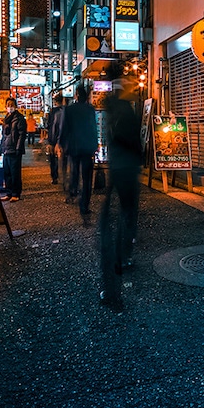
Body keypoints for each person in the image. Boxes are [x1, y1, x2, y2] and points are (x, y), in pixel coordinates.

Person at [97, 64, 143, 308]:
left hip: (117, 166)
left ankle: (120, 254)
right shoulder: (125, 110)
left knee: (118, 214)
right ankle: (124, 254)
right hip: (127, 167)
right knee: (128, 211)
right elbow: (131, 138)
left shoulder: (110, 107)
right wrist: (140, 154)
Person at [60, 82, 97, 225]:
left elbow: (65, 128)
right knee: (87, 178)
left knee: (74, 171)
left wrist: (62, 144)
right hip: (87, 147)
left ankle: (73, 191)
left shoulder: (69, 110)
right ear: (86, 96)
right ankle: (84, 205)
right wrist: (95, 145)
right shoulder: (90, 110)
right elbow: (94, 128)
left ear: (76, 95)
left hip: (74, 147)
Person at [0, 97, 27, 202]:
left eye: (12, 105)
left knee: (15, 173)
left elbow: (22, 134)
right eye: (8, 105)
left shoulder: (19, 118)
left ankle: (16, 194)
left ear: (15, 106)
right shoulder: (6, 119)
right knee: (7, 173)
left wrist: (18, 148)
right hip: (6, 149)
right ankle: (8, 193)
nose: (10, 107)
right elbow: (4, 136)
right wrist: (1, 148)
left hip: (14, 150)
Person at [45, 96, 65, 185]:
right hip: (64, 138)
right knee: (64, 158)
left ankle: (54, 177)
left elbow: (49, 126)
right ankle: (64, 176)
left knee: (52, 159)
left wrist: (50, 140)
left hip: (53, 139)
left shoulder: (52, 112)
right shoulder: (66, 110)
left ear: (55, 102)